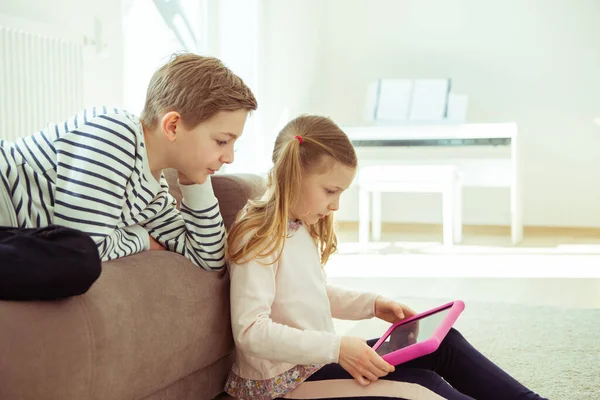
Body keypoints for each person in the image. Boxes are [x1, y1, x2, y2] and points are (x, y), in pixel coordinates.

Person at [224, 115, 547, 400]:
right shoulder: (258, 234)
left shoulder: (298, 225)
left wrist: (373, 305)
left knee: (443, 343)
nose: (335, 205)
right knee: (424, 386)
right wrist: (337, 348)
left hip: (317, 364)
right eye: (330, 191)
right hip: (284, 385)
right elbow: (251, 330)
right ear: (293, 176)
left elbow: (311, 294)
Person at [0, 53, 257, 301]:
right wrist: (142, 238)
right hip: (4, 194)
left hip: (11, 231)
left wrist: (195, 182)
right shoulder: (116, 134)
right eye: (222, 141)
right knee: (79, 260)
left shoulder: (154, 193)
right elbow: (83, 244)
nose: (229, 157)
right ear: (173, 126)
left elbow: (209, 257)